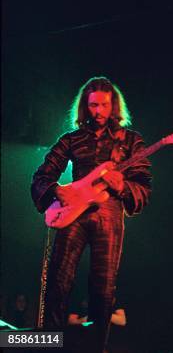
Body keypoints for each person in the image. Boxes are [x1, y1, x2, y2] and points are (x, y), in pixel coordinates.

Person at [31, 76, 152, 350]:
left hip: (109, 216)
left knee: (103, 289)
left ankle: (98, 348)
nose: (98, 111)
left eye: (104, 105)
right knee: (58, 283)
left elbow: (144, 187)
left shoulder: (130, 141)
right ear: (85, 106)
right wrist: (55, 190)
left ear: (113, 106)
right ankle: (49, 345)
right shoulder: (72, 139)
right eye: (93, 105)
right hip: (73, 213)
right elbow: (42, 175)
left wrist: (123, 185)